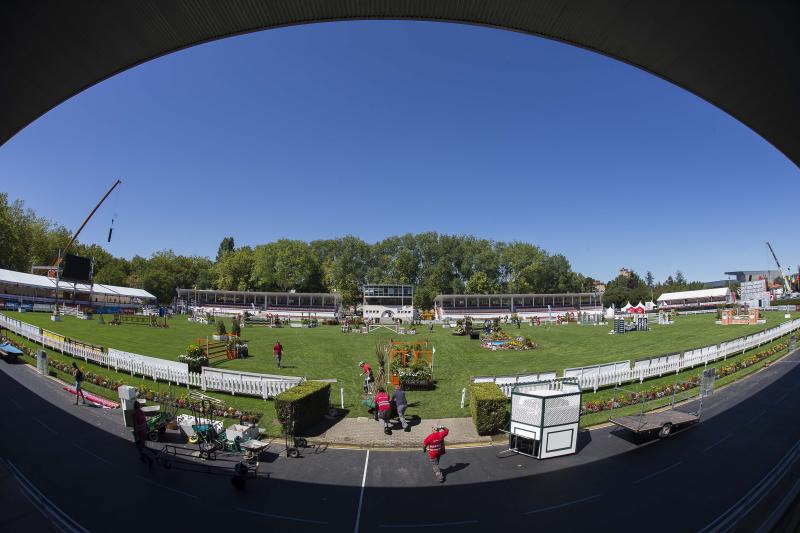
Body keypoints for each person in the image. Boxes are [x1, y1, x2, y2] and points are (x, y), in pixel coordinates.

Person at [133, 401, 153, 466]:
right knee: (143, 445)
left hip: (140, 432)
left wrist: (136, 436)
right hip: (144, 431)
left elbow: (135, 425)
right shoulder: (141, 412)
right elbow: (145, 420)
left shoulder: (134, 414)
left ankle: (149, 459)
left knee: (140, 447)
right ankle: (143, 457)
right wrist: (147, 428)